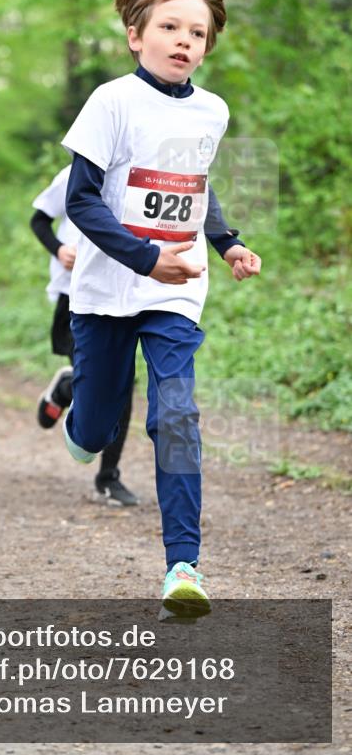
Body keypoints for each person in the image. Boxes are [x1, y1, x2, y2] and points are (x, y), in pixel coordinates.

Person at [60, 0, 261, 618]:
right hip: (105, 290)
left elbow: (195, 185)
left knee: (174, 414)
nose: (184, 41)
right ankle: (76, 408)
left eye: (197, 33)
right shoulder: (111, 101)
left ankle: (183, 566)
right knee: (95, 430)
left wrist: (226, 242)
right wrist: (146, 258)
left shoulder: (211, 111)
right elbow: (81, 201)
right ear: (134, 35)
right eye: (169, 27)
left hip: (175, 290)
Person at [31, 166, 248, 510]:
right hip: (78, 295)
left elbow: (192, 199)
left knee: (122, 386)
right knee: (103, 388)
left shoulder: (144, 169)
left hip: (132, 289)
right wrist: (59, 250)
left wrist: (224, 241)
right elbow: (39, 220)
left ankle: (108, 476)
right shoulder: (72, 174)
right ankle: (66, 389)